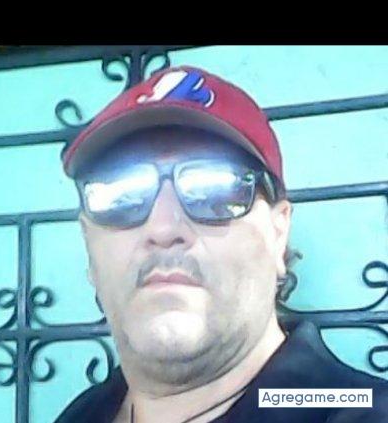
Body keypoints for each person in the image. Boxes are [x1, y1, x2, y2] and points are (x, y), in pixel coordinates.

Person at [55, 66, 388, 423]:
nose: (163, 228)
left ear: (278, 233)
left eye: (215, 191)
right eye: (121, 196)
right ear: (90, 247)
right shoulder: (82, 414)